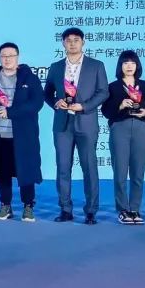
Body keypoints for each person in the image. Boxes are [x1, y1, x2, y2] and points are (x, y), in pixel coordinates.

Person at [44, 28, 109, 224]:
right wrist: (56, 102)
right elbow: (47, 93)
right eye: (68, 40)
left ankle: (91, 211)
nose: (72, 43)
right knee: (63, 167)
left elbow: (103, 92)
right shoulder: (56, 67)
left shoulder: (96, 65)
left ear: (83, 42)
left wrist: (84, 106)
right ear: (63, 43)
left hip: (86, 121)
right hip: (62, 124)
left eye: (76, 40)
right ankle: (65, 209)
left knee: (89, 168)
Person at [0, 42, 44, 221]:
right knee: (2, 172)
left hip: (23, 135)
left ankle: (28, 206)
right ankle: (5, 205)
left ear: (17, 57)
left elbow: (36, 103)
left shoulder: (29, 78)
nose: (7, 59)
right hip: (0, 135)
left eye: (11, 55)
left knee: (26, 171)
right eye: (4, 56)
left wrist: (10, 112)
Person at [100, 50, 145, 225]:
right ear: (120, 66)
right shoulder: (113, 87)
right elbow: (106, 111)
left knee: (138, 172)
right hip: (120, 128)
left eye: (133, 63)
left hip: (141, 128)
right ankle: (123, 209)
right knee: (120, 171)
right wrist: (120, 105)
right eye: (125, 63)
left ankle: (135, 209)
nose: (129, 66)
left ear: (137, 65)